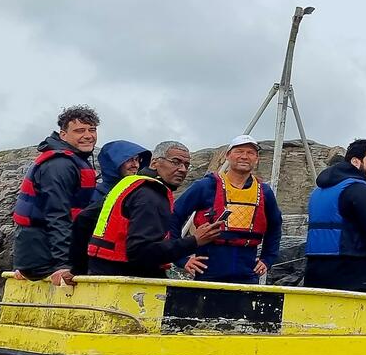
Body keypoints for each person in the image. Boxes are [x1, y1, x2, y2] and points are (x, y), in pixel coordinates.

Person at [87, 141, 221, 279]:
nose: (183, 169)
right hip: (125, 281)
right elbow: (141, 252)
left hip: (101, 273)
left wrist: (72, 268)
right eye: (175, 162)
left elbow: (83, 220)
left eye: (187, 165)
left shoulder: (128, 185)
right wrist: (194, 240)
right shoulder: (151, 195)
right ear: (154, 163)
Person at [171, 135, 282, 285]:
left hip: (247, 273)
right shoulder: (205, 186)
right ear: (228, 156)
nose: (244, 156)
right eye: (239, 151)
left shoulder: (264, 192)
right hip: (208, 271)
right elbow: (174, 216)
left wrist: (268, 259)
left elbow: (275, 226)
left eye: (250, 153)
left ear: (257, 159)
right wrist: (181, 259)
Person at [13, 105, 100, 287]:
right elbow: (57, 215)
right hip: (43, 254)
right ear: (63, 135)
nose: (88, 135)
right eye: (79, 130)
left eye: (92, 130)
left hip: (39, 250)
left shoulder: (74, 161)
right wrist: (63, 265)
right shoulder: (60, 166)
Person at [304, 139, 366, 292]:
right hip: (349, 271)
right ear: (356, 161)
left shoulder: (318, 191)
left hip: (314, 269)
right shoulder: (358, 190)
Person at [70, 140, 150, 275]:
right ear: (113, 163)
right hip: (95, 266)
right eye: (129, 160)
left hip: (129, 264)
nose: (135, 165)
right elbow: (78, 230)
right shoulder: (93, 194)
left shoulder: (139, 193)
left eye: (137, 159)